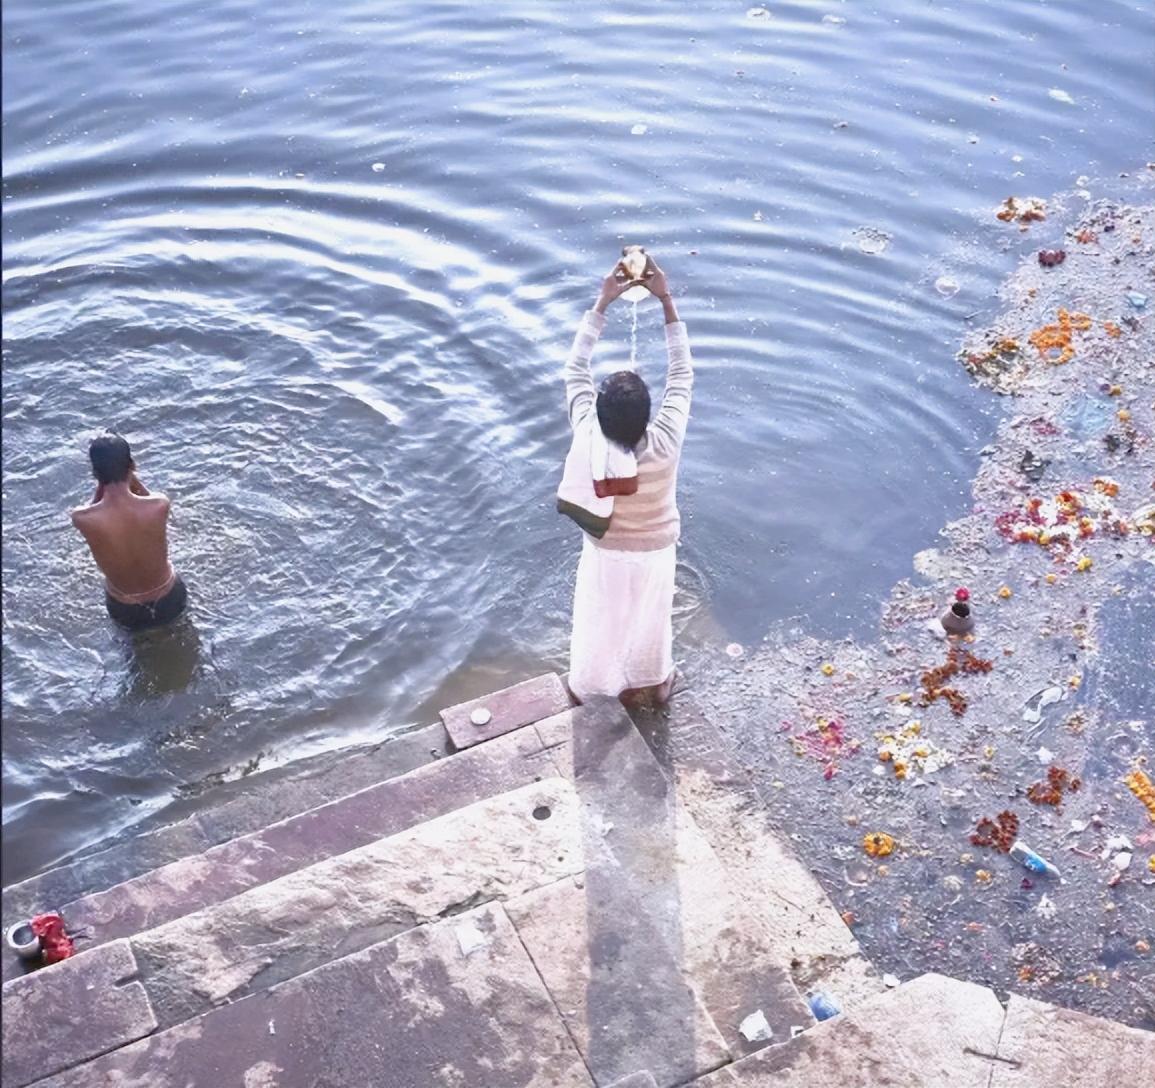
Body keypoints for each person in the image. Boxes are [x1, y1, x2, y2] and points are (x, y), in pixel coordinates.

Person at [557, 255, 693, 705]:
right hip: (655, 550)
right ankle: (650, 685)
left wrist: (603, 301)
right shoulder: (666, 441)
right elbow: (682, 375)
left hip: (607, 551)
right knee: (650, 619)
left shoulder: (588, 435)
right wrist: (665, 299)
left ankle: (591, 689)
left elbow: (575, 369)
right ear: (648, 415)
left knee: (601, 618)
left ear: (597, 412)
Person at [70, 433, 187, 630]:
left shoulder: (82, 518)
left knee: (134, 657)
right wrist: (131, 476)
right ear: (132, 465)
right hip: (169, 596)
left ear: (95, 474)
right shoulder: (159, 505)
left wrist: (103, 481)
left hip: (125, 608)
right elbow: (143, 494)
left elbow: (96, 503)